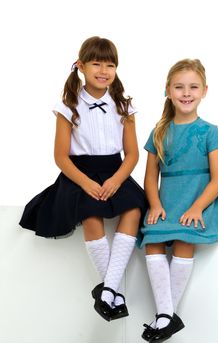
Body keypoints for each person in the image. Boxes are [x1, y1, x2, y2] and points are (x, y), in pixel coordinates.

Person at [19, 36, 147, 322]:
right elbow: (61, 157)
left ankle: (108, 291)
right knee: (90, 213)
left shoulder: (125, 105)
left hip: (115, 171)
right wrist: (87, 183)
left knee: (133, 209)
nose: (104, 70)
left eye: (110, 64)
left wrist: (116, 180)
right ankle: (113, 291)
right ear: (81, 66)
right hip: (79, 174)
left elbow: (133, 154)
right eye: (96, 63)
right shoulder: (68, 104)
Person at [139, 58, 218, 343]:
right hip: (166, 204)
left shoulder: (210, 131)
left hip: (199, 203)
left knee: (183, 239)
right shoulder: (159, 132)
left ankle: (164, 317)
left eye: (193, 87)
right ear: (168, 90)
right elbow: (150, 177)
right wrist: (154, 204)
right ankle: (167, 316)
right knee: (152, 243)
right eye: (179, 87)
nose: (186, 93)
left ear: (204, 91)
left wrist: (196, 207)